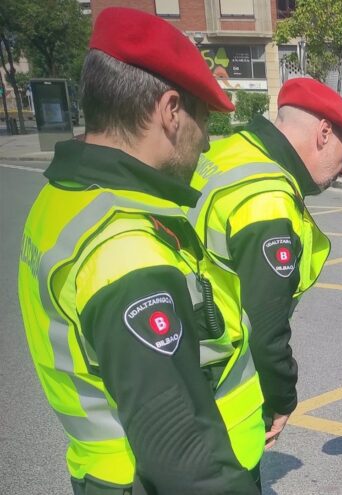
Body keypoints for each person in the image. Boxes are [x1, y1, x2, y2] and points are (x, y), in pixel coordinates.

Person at [17, 8, 265, 494]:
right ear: (171, 110)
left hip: (101, 472)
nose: (207, 140)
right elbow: (185, 460)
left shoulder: (66, 198)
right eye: (204, 118)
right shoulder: (126, 253)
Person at [188, 78, 342, 450]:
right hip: (222, 393)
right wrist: (281, 397)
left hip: (184, 363)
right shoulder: (267, 199)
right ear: (323, 133)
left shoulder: (230, 152)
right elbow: (265, 327)